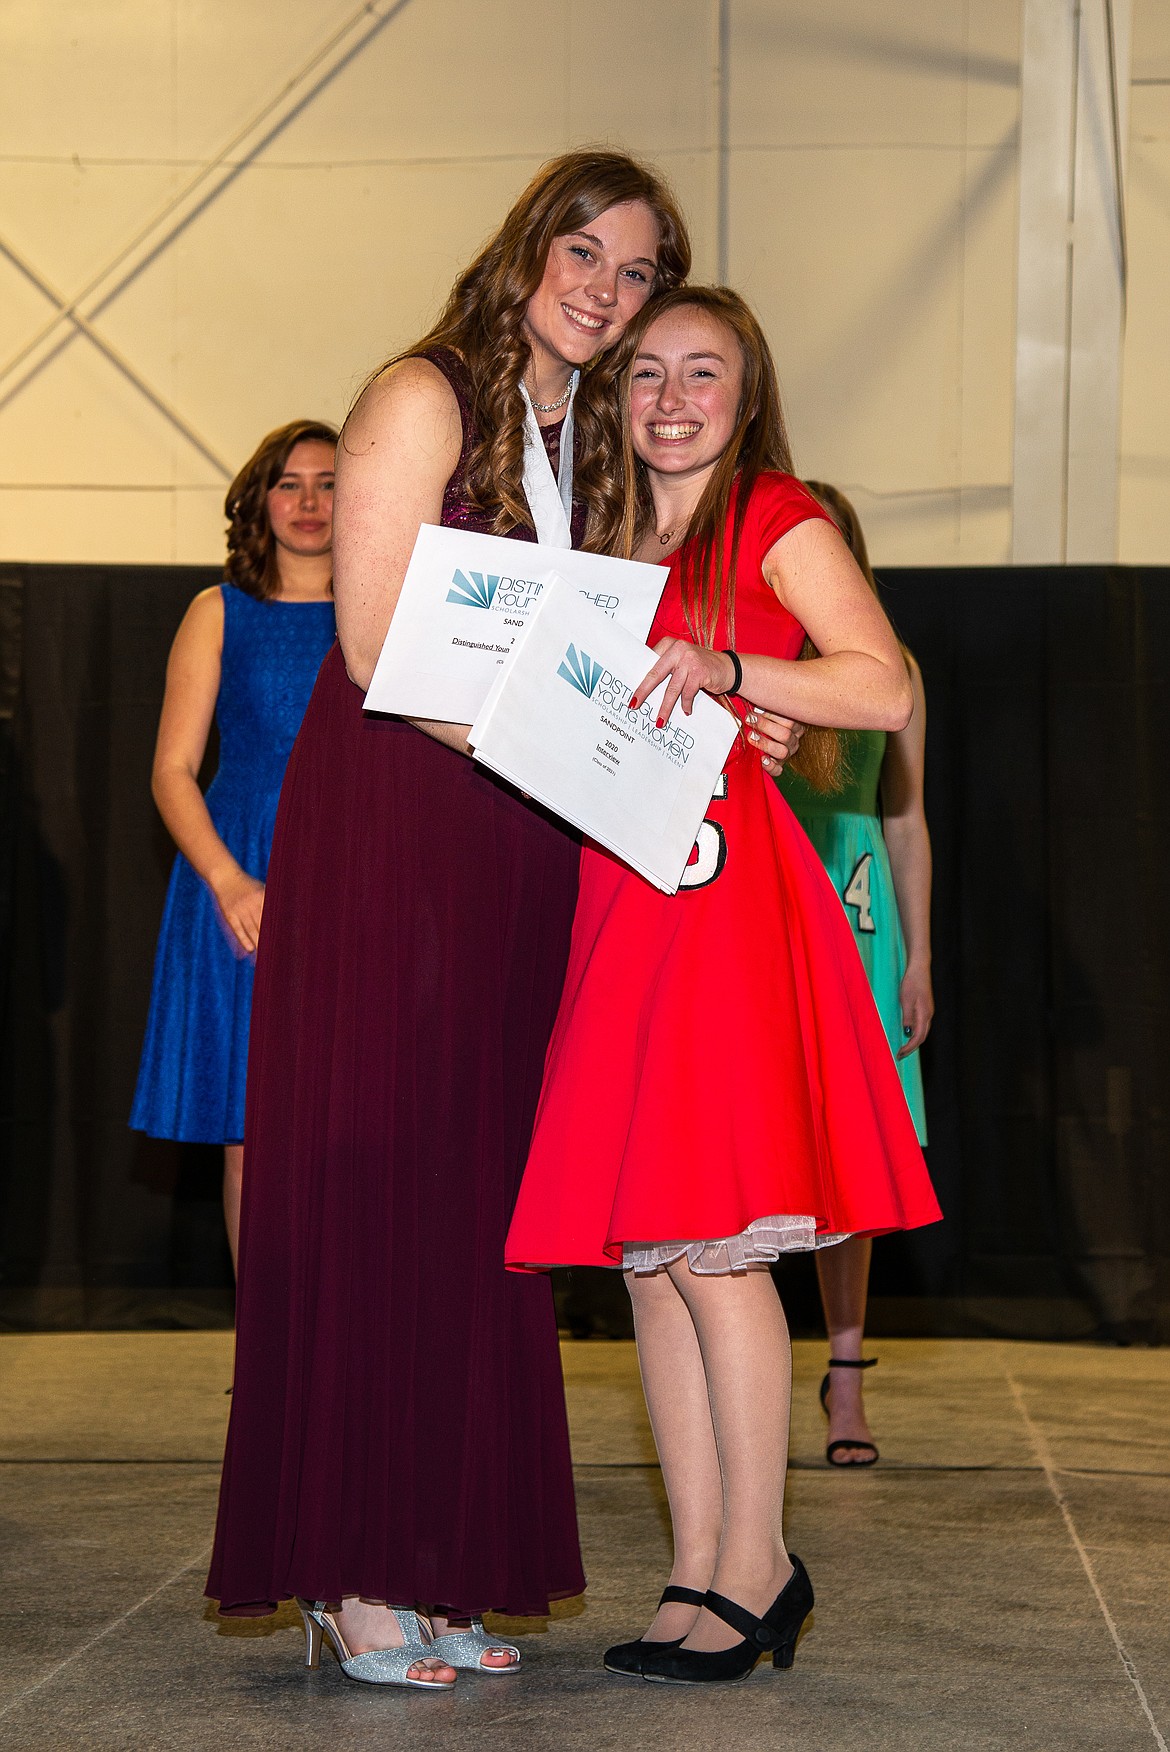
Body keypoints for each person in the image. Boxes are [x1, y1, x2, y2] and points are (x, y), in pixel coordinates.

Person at [206, 150, 794, 1691]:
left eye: (635, 269)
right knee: (377, 1181)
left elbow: (612, 656)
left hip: (521, 845)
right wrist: (575, 754)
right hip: (404, 829)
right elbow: (382, 640)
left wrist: (713, 731)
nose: (604, 287)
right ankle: (349, 1569)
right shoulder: (423, 393)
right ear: (528, 247)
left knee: (482, 1217)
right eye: (583, 252)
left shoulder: (573, 433)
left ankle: (438, 1555)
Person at [504, 287, 942, 1687]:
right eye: (645, 373)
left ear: (744, 396)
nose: (670, 395)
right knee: (652, 1256)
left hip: (723, 901)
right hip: (619, 898)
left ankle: (758, 1561)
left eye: (702, 372)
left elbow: (882, 688)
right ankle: (696, 1565)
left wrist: (738, 668)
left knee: (720, 1243)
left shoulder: (773, 515)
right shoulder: (609, 538)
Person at [130, 421, 338, 1270]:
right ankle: (267, 1364)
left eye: (328, 482)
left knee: (348, 1128)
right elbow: (172, 769)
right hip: (238, 881)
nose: (309, 502)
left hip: (351, 877)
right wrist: (230, 881)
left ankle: (339, 1351)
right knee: (250, 1131)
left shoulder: (386, 613)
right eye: (289, 484)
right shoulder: (217, 612)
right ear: (259, 500)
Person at [779, 481, 933, 1467]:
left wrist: (922, 956)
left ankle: (845, 1373)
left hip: (863, 919)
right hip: (766, 911)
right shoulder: (752, 657)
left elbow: (907, 817)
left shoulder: (895, 668)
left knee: (854, 1162)